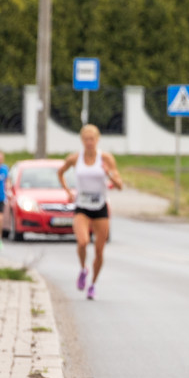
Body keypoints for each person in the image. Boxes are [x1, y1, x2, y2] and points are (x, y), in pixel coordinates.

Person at [58, 124, 123, 300]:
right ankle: (83, 269)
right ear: (82, 141)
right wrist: (68, 191)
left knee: (100, 251)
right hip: (82, 206)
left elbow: (120, 185)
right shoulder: (74, 158)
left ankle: (93, 284)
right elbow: (60, 172)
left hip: (100, 207)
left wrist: (109, 174)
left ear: (97, 140)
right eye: (86, 139)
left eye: (92, 139)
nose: (89, 142)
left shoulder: (106, 158)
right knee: (82, 242)